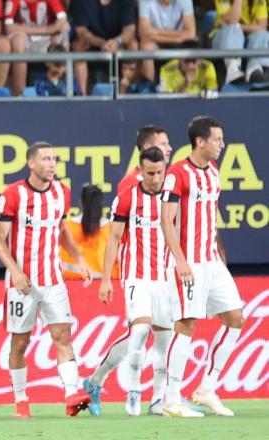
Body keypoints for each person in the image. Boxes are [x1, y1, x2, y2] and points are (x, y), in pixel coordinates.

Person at [0, 142, 94, 418]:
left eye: (54, 159)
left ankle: (72, 392)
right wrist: (14, 270)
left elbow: (62, 230)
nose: (51, 164)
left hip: (53, 280)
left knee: (62, 335)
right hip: (21, 284)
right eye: (46, 159)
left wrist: (80, 258)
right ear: (31, 164)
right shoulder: (13, 195)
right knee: (20, 343)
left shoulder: (62, 192)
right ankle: (21, 399)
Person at [160, 116, 245, 417]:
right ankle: (171, 400)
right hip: (189, 261)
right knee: (186, 324)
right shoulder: (177, 174)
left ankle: (207, 388)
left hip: (211, 259)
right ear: (200, 141)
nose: (222, 144)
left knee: (236, 318)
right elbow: (166, 219)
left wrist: (219, 249)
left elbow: (211, 213)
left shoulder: (213, 171)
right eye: (217, 139)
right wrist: (180, 260)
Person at [83, 147, 176, 417]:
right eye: (150, 173)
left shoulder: (173, 198)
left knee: (163, 341)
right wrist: (105, 279)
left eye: (160, 172)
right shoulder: (126, 198)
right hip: (136, 275)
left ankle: (156, 398)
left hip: (165, 277)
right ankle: (134, 391)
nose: (156, 179)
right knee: (139, 331)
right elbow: (113, 238)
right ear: (140, 170)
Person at [70, 0, 138, 95]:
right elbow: (82, 31)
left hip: (117, 43)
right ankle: (82, 95)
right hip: (92, 43)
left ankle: (129, 90)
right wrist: (100, 43)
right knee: (78, 45)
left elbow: (130, 30)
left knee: (133, 44)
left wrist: (117, 42)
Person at [5, 0, 70, 95]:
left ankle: (63, 90)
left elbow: (62, 20)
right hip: (26, 38)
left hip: (47, 40)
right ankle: (19, 94)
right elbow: (8, 26)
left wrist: (50, 31)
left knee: (64, 31)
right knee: (18, 40)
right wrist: (46, 30)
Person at [59, 184, 117, 280]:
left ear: (81, 202)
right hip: (104, 282)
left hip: (72, 282)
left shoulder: (67, 226)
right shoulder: (111, 228)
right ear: (101, 203)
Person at [210, 0, 269, 84]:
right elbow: (232, 21)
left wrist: (239, 27)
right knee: (232, 30)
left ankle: (254, 68)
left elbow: (262, 26)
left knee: (262, 34)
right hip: (222, 37)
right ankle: (233, 67)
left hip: (246, 36)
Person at [138, 0, 197, 81]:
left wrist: (155, 32)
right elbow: (144, 33)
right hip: (157, 42)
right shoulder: (145, 1)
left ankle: (188, 85)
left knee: (190, 45)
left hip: (178, 43)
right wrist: (177, 38)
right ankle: (148, 86)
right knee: (146, 46)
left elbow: (191, 34)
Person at [118, 125, 172, 194]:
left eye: (168, 144)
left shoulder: (171, 179)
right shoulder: (129, 184)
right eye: (163, 144)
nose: (169, 148)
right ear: (147, 147)